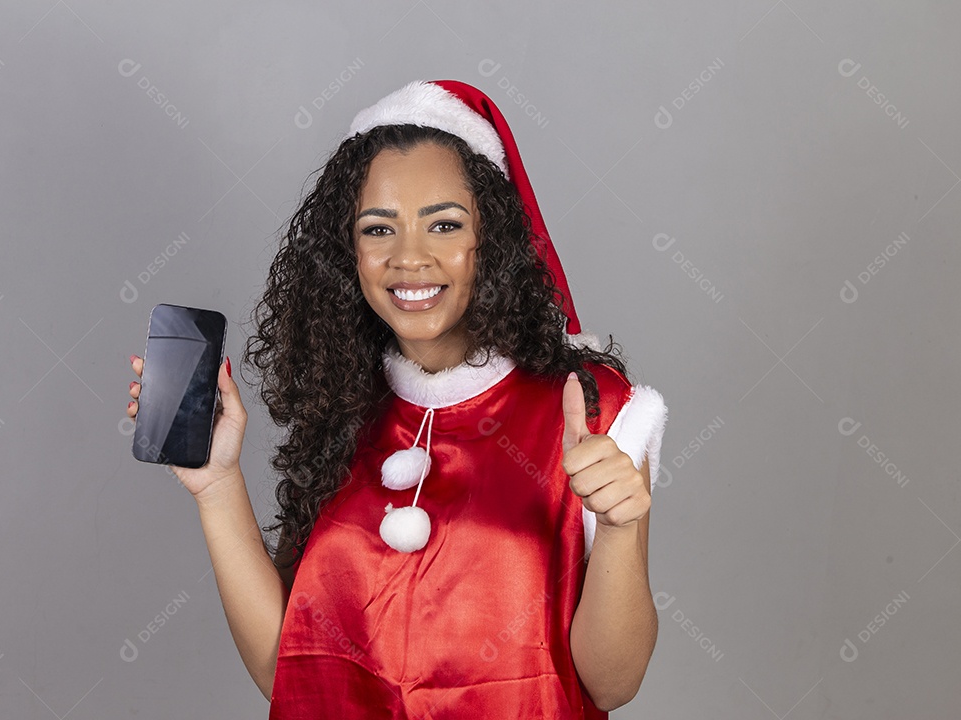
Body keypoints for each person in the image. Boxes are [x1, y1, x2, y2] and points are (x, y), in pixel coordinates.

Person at [126, 79, 667, 718]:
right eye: (378, 229)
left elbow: (611, 685)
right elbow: (293, 675)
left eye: (444, 224)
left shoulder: (594, 409)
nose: (409, 258)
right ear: (348, 253)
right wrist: (217, 487)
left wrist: (621, 529)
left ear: (488, 240)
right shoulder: (346, 405)